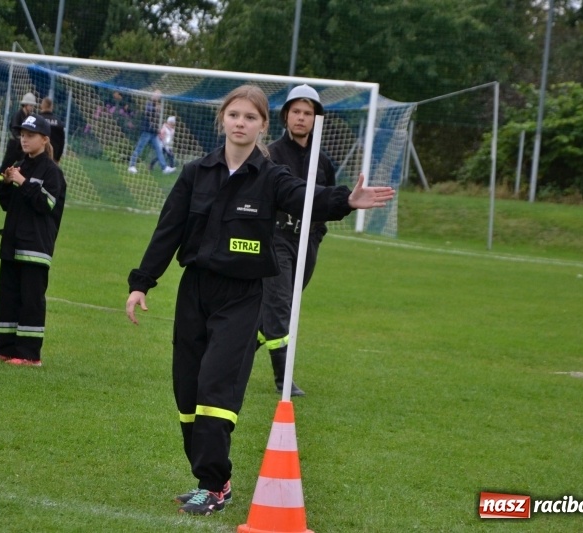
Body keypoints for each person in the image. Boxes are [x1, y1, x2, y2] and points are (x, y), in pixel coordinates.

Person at [125, 85, 395, 515]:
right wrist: (141, 283)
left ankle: (213, 486)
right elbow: (168, 230)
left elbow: (308, 199)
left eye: (250, 117)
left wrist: (346, 199)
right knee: (187, 390)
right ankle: (212, 479)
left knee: (216, 386)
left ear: (262, 126)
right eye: (234, 115)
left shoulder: (271, 178)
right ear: (223, 120)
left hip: (241, 296)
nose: (240, 123)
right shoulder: (196, 172)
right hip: (194, 291)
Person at [257, 85, 336, 397]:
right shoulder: (271, 154)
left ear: (317, 118)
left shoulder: (324, 161)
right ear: (286, 116)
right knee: (279, 307)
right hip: (277, 239)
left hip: (308, 243)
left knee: (276, 309)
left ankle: (230, 355)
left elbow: (329, 201)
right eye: (296, 112)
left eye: (308, 113)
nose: (302, 118)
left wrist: (316, 234)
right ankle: (283, 379)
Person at [0, 114, 66, 367]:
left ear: (44, 139)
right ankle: (6, 349)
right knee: (7, 297)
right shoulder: (20, 164)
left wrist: (23, 182)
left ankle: (30, 355)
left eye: (30, 135)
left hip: (35, 248)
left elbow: (46, 204)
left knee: (30, 300)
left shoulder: (52, 171)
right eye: (22, 134)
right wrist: (8, 183)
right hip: (12, 244)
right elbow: (7, 204)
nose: (24, 139)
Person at [127, 90, 175, 174]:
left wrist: (157, 130)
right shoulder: (149, 103)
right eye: (156, 95)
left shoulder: (157, 105)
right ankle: (131, 166)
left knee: (159, 150)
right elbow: (148, 110)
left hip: (153, 133)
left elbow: (155, 120)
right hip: (147, 132)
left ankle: (164, 168)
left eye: (159, 95)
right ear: (153, 95)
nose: (158, 97)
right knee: (139, 148)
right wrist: (155, 109)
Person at [0, 92, 36, 178]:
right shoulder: (18, 115)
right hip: (14, 145)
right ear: (25, 104)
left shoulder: (29, 117)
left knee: (22, 166)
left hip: (22, 146)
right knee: (7, 164)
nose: (32, 107)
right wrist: (20, 139)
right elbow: (13, 128)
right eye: (31, 105)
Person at [38, 97, 65, 164]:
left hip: (39, 155)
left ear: (42, 106)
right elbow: (62, 142)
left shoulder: (37, 120)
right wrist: (58, 158)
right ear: (52, 107)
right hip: (53, 157)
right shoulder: (58, 122)